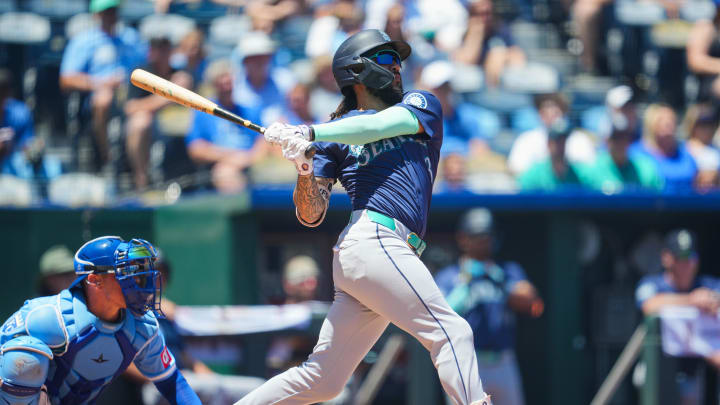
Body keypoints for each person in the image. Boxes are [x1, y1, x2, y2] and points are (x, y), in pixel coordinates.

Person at [238, 29, 492, 405]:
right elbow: (311, 214)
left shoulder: (419, 103)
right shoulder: (331, 137)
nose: (397, 69)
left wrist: (310, 129)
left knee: (324, 381)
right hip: (373, 240)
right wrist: (304, 166)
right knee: (452, 332)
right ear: (357, 72)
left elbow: (376, 127)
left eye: (398, 61)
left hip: (383, 253)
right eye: (387, 61)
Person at [0, 236, 201, 404]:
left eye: (140, 273)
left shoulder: (143, 325)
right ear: (95, 280)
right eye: (127, 273)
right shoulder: (49, 316)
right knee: (23, 357)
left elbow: (171, 381)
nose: (140, 281)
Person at [435, 208, 543, 405]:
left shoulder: (507, 271)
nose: (484, 242)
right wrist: (465, 283)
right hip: (466, 360)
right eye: (478, 237)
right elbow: (440, 316)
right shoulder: (449, 276)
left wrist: (501, 282)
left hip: (503, 360)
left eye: (488, 236)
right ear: (463, 238)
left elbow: (532, 302)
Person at [635, 229, 720, 405]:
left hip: (695, 369)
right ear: (667, 258)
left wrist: (711, 300)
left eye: (690, 258)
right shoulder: (652, 283)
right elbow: (649, 305)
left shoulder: (707, 285)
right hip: (658, 368)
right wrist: (690, 300)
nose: (685, 264)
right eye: (680, 258)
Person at [59, 0, 146, 168]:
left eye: (113, 10)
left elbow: (148, 65)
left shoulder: (130, 38)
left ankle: (142, 181)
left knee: (143, 121)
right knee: (103, 98)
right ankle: (106, 157)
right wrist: (101, 84)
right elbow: (66, 79)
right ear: (96, 14)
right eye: (106, 11)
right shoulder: (84, 41)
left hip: (131, 98)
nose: (110, 16)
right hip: (96, 99)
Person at [186, 59, 266, 193]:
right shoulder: (203, 113)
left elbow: (263, 140)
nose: (226, 88)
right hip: (220, 165)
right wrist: (232, 157)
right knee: (225, 172)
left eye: (229, 84)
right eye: (221, 84)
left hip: (249, 163)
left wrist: (249, 158)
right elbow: (196, 149)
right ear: (213, 86)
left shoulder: (249, 111)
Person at [124, 36, 193, 189]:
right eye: (158, 49)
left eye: (166, 49)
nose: (162, 53)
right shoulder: (142, 74)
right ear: (151, 52)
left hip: (179, 123)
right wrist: (170, 95)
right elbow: (130, 108)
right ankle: (142, 180)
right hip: (152, 126)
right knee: (140, 122)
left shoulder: (180, 74)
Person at [508, 92, 596, 176]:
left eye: (556, 112)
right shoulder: (526, 140)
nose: (551, 115)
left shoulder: (580, 139)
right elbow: (516, 170)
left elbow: (589, 171)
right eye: (545, 111)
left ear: (564, 112)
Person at [449, 0, 526, 87]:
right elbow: (465, 61)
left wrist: (501, 55)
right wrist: (476, 34)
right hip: (469, 86)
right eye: (479, 14)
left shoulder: (499, 28)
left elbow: (517, 55)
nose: (485, 18)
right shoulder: (460, 31)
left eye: (488, 13)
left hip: (497, 83)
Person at [585, 118, 663, 193]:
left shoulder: (645, 170)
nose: (620, 143)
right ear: (607, 140)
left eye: (624, 138)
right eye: (615, 138)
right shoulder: (592, 170)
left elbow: (658, 199)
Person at [631, 103, 697, 192]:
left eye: (671, 120)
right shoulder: (635, 154)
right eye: (661, 120)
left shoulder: (685, 155)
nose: (668, 123)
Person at [518, 118, 592, 191]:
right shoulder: (534, 174)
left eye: (563, 141)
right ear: (548, 144)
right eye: (557, 141)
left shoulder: (577, 174)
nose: (561, 145)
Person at [682, 103, 720, 190]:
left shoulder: (716, 150)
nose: (707, 128)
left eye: (710, 123)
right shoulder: (681, 151)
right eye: (702, 123)